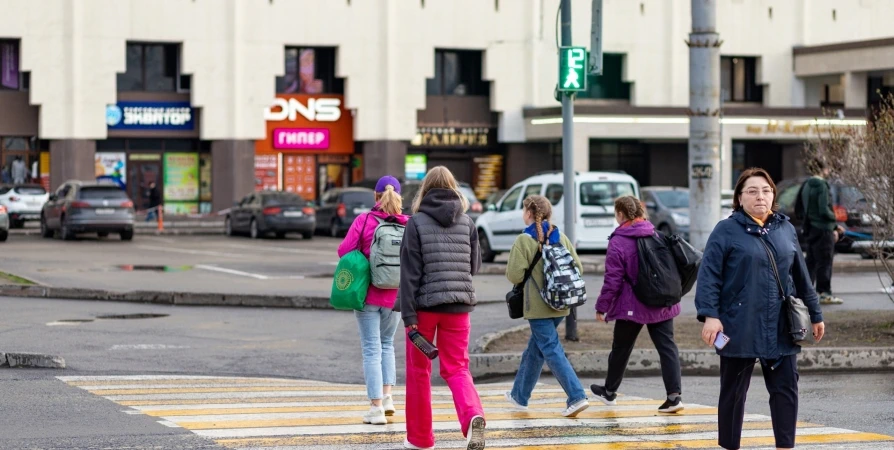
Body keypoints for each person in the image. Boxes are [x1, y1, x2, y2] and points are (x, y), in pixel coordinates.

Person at [696, 167, 825, 450]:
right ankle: (729, 446)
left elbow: (801, 276)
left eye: (766, 191)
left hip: (781, 325)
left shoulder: (785, 229)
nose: (760, 196)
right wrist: (711, 316)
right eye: (752, 191)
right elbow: (709, 277)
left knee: (786, 391)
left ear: (773, 196)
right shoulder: (726, 230)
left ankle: (785, 446)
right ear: (740, 198)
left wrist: (815, 314)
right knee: (733, 394)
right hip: (738, 325)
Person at [399, 166, 485, 450]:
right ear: (453, 188)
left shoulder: (416, 223)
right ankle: (473, 415)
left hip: (424, 308)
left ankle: (421, 439)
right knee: (458, 368)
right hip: (459, 307)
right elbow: (474, 267)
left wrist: (408, 315)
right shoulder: (468, 223)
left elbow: (410, 273)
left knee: (419, 371)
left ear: (426, 190)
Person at [589, 195, 684, 414]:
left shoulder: (618, 241)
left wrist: (602, 306)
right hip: (662, 302)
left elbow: (612, 280)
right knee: (667, 347)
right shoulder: (656, 234)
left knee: (621, 348)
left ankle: (609, 392)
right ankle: (674, 397)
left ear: (620, 214)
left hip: (633, 306)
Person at [504, 195, 590, 417]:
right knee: (535, 349)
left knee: (550, 348)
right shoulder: (559, 235)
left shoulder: (524, 240)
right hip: (562, 304)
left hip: (538, 307)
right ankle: (519, 396)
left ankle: (577, 395)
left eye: (524, 211)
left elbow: (513, 275)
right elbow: (578, 267)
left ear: (529, 214)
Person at [337, 175, 409, 425]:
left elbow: (343, 251)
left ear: (375, 197)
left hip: (368, 295)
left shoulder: (365, 220)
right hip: (397, 297)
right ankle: (388, 400)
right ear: (400, 197)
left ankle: (376, 408)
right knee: (387, 344)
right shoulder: (408, 224)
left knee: (371, 349)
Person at [800, 158, 845, 305]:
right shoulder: (822, 185)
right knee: (825, 261)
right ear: (822, 169)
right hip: (824, 229)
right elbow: (824, 209)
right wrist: (834, 222)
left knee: (811, 262)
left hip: (811, 228)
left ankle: (804, 293)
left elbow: (799, 208)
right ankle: (824, 293)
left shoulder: (806, 185)